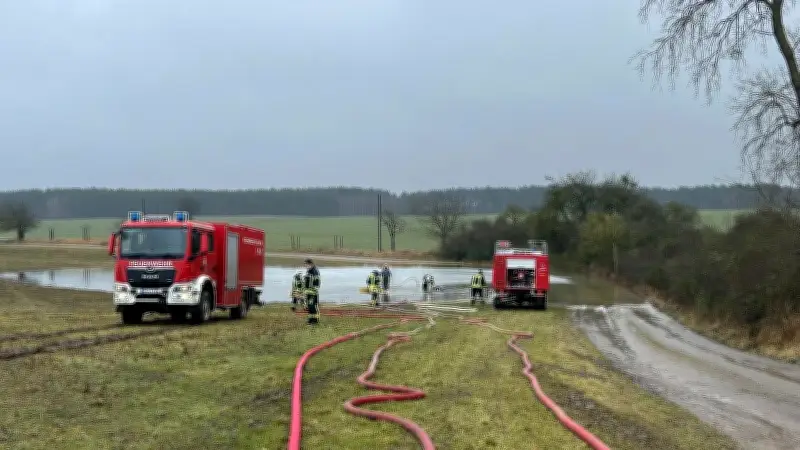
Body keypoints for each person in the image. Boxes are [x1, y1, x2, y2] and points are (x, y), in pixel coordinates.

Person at [302, 259, 321, 324]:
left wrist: (314, 291)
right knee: (309, 306)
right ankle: (310, 320)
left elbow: (317, 283)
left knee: (313, 306)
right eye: (305, 264)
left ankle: (315, 321)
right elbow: (307, 281)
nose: (305, 266)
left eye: (306, 264)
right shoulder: (309, 270)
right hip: (308, 292)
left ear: (310, 264)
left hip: (313, 292)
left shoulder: (315, 271)